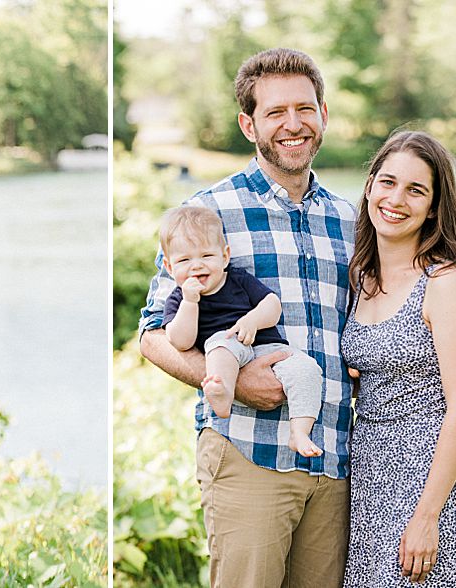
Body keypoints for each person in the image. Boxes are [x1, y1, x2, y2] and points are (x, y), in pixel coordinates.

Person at [138, 47, 356, 587]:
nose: (293, 125)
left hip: (334, 460)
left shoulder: (351, 219)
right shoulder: (207, 213)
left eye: (305, 109)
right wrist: (234, 384)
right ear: (248, 123)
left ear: (323, 114)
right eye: (275, 113)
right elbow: (151, 337)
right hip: (248, 452)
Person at [341, 130, 456, 586]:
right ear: (370, 186)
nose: (396, 199)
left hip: (431, 485)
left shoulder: (445, 281)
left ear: (433, 207)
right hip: (370, 481)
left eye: (416, 189)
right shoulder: (361, 276)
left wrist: (428, 516)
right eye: (387, 182)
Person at [158, 205, 324, 458]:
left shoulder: (238, 279)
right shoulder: (179, 299)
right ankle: (222, 394)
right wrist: (190, 303)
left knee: (307, 369)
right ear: (170, 267)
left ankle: (299, 431)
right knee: (219, 346)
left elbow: (272, 305)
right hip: (227, 348)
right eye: (184, 260)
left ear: (225, 256)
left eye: (206, 256)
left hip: (266, 346)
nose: (196, 266)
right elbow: (180, 341)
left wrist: (252, 320)